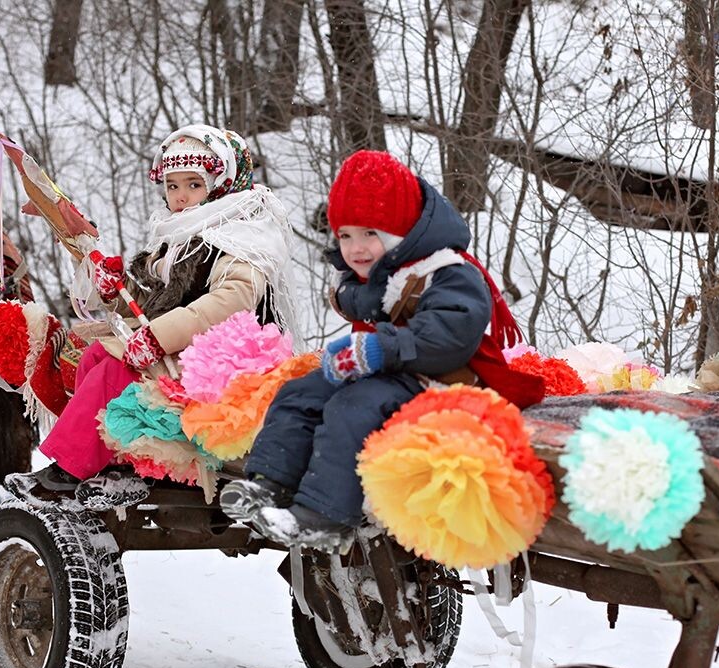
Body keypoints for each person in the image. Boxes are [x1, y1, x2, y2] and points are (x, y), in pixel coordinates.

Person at [219, 150, 543, 551]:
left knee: (352, 407)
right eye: (345, 235)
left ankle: (325, 515)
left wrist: (375, 348)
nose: (356, 248)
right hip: (392, 370)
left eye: (370, 233)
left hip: (441, 379)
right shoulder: (381, 271)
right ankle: (268, 485)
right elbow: (367, 304)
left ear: (401, 232)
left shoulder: (449, 273)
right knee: (301, 392)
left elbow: (447, 337)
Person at [6, 125, 296, 508]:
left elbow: (234, 298)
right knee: (96, 357)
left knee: (113, 367)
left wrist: (158, 337)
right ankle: (107, 462)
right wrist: (115, 291)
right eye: (172, 186)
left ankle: (68, 468)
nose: (181, 197)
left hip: (225, 362)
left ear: (221, 182)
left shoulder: (242, 235)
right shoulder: (177, 239)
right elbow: (148, 307)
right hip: (182, 347)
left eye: (194, 184)